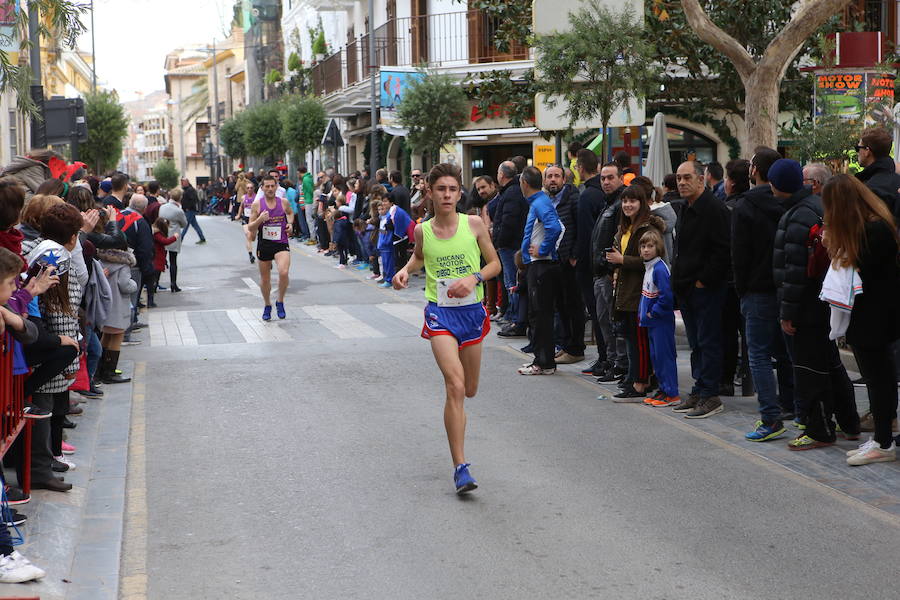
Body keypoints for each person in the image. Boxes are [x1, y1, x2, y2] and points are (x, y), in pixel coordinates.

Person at [392, 163, 500, 494]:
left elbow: (495, 264)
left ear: (460, 193)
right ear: (431, 192)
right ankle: (460, 466)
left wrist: (474, 278)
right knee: (454, 386)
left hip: (471, 313)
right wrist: (405, 270)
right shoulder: (423, 230)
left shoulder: (474, 224)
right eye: (442, 189)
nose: (448, 194)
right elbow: (421, 257)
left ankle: (458, 432)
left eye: (453, 189)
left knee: (468, 390)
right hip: (440, 314)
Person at [771, 159, 859, 450]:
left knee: (810, 370)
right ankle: (849, 422)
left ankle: (819, 428)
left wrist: (788, 313)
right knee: (830, 364)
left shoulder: (798, 215)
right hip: (822, 303)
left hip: (808, 307)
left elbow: (794, 272)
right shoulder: (814, 209)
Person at [821, 174, 899, 465]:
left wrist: (834, 244)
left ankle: (883, 441)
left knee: (879, 380)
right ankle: (881, 438)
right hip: (873, 316)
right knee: (879, 379)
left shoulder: (872, 233)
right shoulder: (873, 227)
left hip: (873, 317)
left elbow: (855, 267)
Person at [732, 149, 792, 442]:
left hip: (757, 289)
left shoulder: (746, 206)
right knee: (787, 353)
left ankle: (770, 417)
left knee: (758, 355)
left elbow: (739, 254)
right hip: (786, 288)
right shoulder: (791, 203)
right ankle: (794, 406)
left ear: (754, 170)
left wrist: (741, 288)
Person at [670, 160, 730, 419]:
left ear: (700, 180)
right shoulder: (685, 207)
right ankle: (699, 388)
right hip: (687, 288)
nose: (681, 183)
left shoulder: (714, 208)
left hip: (705, 288)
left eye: (686, 178)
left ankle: (710, 395)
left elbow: (723, 250)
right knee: (696, 343)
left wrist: (702, 280)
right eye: (678, 178)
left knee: (708, 342)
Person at [605, 185, 665, 400]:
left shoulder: (648, 228)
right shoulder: (625, 228)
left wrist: (623, 261)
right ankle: (635, 377)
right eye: (625, 201)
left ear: (642, 203)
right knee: (630, 338)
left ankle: (640, 382)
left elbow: (652, 259)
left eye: (633, 201)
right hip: (624, 290)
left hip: (641, 293)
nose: (628, 205)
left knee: (638, 341)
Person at [518, 166, 562, 376]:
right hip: (538, 264)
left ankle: (544, 362)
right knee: (538, 314)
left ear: (524, 183)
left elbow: (555, 227)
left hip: (542, 265)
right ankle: (542, 360)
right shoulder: (539, 202)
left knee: (541, 315)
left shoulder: (540, 202)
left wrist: (543, 249)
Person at [591, 162, 628, 383]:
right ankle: (613, 362)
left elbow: (618, 240)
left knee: (613, 323)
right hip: (600, 273)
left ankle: (619, 364)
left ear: (620, 178)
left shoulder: (619, 204)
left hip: (609, 275)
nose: (605, 182)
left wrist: (610, 270)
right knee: (605, 322)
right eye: (603, 178)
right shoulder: (608, 204)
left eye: (610, 177)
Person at [544, 165, 583, 364]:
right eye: (549, 176)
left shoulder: (573, 198)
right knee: (561, 306)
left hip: (569, 261)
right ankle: (566, 346)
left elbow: (580, 227)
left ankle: (575, 349)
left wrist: (574, 255)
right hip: (553, 261)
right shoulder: (547, 202)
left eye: (556, 176)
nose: (553, 179)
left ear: (564, 179)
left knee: (572, 305)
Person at [637, 229, 679, 407]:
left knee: (664, 357)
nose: (646, 250)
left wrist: (653, 312)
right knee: (656, 357)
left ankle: (671, 393)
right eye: (643, 246)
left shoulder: (660, 269)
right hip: (652, 322)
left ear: (658, 247)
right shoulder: (649, 267)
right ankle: (663, 389)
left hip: (660, 322)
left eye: (650, 246)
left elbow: (667, 296)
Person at [248, 175, 293, 321]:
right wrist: (260, 219)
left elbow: (291, 213)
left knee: (284, 272)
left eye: (272, 186)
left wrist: (290, 224)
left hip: (281, 243)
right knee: (265, 279)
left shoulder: (283, 202)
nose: (270, 189)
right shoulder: (257, 205)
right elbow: (250, 226)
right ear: (262, 188)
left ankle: (280, 301)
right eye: (267, 186)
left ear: (276, 187)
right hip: (265, 244)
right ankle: (267, 304)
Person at [494, 161, 529, 338]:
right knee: (513, 282)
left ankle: (516, 320)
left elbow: (509, 220)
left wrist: (499, 240)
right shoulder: (514, 191)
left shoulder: (511, 192)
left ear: (502, 175)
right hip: (512, 243)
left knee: (512, 283)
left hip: (510, 245)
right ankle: (514, 317)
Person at [854, 126, 900, 220]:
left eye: (858, 148)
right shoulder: (896, 180)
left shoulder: (869, 189)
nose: (857, 152)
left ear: (867, 151)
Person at [158, 189, 187, 292]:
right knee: (173, 261)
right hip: (174, 236)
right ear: (179, 198)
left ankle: (155, 283)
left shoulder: (162, 207)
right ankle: (173, 283)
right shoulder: (178, 210)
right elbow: (184, 224)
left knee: (160, 259)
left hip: (162, 235)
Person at [149, 218, 178, 307]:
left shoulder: (155, 232)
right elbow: (165, 241)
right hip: (156, 260)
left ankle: (151, 299)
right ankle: (150, 301)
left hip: (158, 259)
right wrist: (175, 237)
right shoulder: (157, 234)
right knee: (154, 281)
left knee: (154, 280)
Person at [180, 178, 206, 244]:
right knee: (195, 225)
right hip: (190, 210)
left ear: (186, 183)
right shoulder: (189, 190)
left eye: (182, 183)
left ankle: (180, 239)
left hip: (189, 210)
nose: (181, 184)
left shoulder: (189, 190)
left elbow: (193, 200)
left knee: (186, 225)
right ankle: (202, 238)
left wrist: (188, 207)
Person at [239, 182, 257, 264]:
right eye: (248, 188)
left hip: (254, 219)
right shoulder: (243, 197)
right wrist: (238, 215)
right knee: (248, 236)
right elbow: (241, 206)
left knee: (253, 238)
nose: (249, 189)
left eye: (251, 188)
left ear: (253, 189)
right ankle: (250, 255)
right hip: (245, 219)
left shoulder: (257, 197)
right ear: (246, 189)